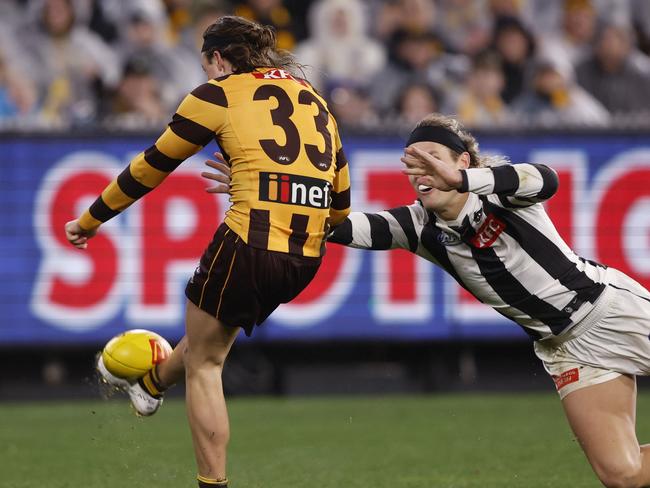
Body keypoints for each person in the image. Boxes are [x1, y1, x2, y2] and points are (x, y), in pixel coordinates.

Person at [204, 112, 650, 488]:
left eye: (432, 159)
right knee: (623, 474)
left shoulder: (500, 190)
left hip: (609, 309)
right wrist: (264, 194)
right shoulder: (418, 227)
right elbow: (338, 225)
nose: (422, 173)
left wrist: (462, 178)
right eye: (414, 165)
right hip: (565, 349)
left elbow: (545, 179)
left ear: (463, 161)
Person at [64, 15, 351, 488]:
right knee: (209, 340)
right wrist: (265, 184)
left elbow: (151, 166)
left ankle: (211, 483)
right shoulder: (317, 102)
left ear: (218, 59)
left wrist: (90, 219)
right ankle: (153, 384)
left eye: (206, 64)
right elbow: (339, 210)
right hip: (306, 259)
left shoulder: (217, 93)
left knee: (205, 362)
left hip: (249, 242)